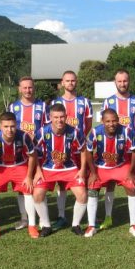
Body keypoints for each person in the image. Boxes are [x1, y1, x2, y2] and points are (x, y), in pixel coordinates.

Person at [33, 103, 88, 236]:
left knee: (82, 195)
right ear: (50, 117)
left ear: (66, 117)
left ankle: (75, 225)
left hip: (69, 168)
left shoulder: (74, 132)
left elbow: (83, 150)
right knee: (37, 194)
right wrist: (38, 170)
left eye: (62, 117)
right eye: (56, 117)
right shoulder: (42, 132)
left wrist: (82, 170)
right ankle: (46, 226)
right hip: (48, 168)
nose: (59, 120)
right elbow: (32, 151)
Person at [84, 108, 135, 237]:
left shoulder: (127, 131)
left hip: (120, 165)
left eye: (114, 121)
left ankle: (133, 225)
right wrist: (93, 173)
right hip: (101, 166)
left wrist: (131, 172)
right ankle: (91, 226)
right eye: (108, 121)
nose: (111, 124)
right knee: (92, 187)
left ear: (118, 120)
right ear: (102, 121)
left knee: (132, 186)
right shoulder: (95, 132)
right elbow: (88, 151)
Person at [100, 69, 135, 229]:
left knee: (134, 182)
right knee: (109, 183)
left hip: (131, 150)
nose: (122, 84)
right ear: (115, 82)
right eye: (119, 81)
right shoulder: (108, 102)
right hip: (112, 148)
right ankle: (108, 217)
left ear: (129, 81)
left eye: (125, 81)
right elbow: (103, 125)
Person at [0, 112, 38, 238]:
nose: (10, 130)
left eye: (12, 126)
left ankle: (32, 225)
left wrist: (29, 176)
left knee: (28, 189)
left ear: (16, 125)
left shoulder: (23, 136)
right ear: (0, 126)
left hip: (19, 165)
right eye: (6, 126)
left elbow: (32, 155)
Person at [49, 70, 93, 230]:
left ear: (76, 82)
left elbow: (88, 124)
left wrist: (80, 139)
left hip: (79, 149)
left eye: (73, 80)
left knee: (84, 180)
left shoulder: (85, 102)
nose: (70, 83)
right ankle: (61, 215)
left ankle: (86, 213)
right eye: (67, 81)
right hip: (62, 149)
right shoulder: (55, 102)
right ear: (62, 83)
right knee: (61, 184)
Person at [9, 76, 47, 230]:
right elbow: (8, 128)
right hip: (20, 153)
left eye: (30, 87)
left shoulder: (42, 106)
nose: (27, 90)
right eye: (24, 87)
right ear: (19, 89)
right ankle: (24, 218)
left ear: (34, 88)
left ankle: (42, 218)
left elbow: (48, 129)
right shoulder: (13, 107)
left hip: (39, 152)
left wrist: (35, 136)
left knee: (39, 184)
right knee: (22, 186)